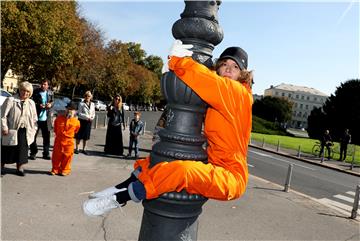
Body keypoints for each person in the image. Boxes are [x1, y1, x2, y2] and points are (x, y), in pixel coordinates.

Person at [83, 40, 253, 217]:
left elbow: (208, 81)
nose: (228, 69)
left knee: (181, 171)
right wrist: (178, 72)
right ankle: (117, 189)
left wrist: (178, 61)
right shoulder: (226, 92)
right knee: (154, 162)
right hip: (214, 162)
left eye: (235, 67)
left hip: (232, 177)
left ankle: (118, 199)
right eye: (224, 64)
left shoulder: (239, 93)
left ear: (243, 75)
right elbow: (207, 80)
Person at [1, 81, 38, 176]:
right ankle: (1, 167)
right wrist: (4, 127)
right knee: (7, 149)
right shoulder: (11, 100)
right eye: (23, 90)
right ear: (19, 90)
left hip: (25, 130)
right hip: (11, 129)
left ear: (30, 93)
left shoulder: (31, 103)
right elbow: (2, 115)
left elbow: (34, 118)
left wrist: (34, 129)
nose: (25, 93)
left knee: (22, 150)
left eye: (27, 91)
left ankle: (20, 168)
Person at [50, 102, 80, 176]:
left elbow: (76, 130)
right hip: (59, 140)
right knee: (56, 156)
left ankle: (65, 170)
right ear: (66, 109)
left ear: (75, 111)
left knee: (67, 156)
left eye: (72, 109)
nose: (69, 111)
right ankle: (55, 169)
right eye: (68, 109)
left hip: (69, 141)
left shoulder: (77, 122)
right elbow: (56, 129)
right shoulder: (59, 118)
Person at [29, 79, 54, 160]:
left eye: (45, 84)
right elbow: (31, 102)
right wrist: (38, 105)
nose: (43, 86)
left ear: (48, 86)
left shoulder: (50, 93)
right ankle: (33, 152)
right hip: (36, 118)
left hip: (46, 119)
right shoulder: (36, 92)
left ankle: (46, 153)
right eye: (42, 84)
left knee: (46, 138)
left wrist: (50, 104)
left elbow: (52, 102)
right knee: (33, 136)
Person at [75, 91, 95, 155]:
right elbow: (79, 113)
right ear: (84, 96)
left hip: (89, 122)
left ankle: (84, 149)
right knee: (79, 135)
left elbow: (93, 113)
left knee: (86, 136)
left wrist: (92, 117)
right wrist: (87, 117)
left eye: (89, 96)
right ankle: (77, 148)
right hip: (81, 121)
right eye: (86, 96)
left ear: (91, 97)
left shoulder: (93, 104)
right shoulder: (81, 104)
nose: (87, 97)